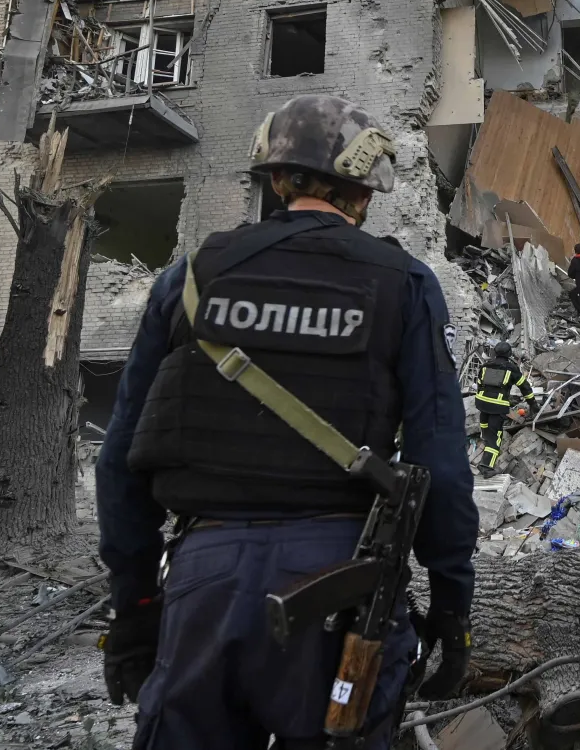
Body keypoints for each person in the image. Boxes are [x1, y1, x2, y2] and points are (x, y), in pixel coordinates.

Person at [95, 95, 478, 750]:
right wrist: (451, 603)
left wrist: (134, 605)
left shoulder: (189, 281)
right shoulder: (403, 283)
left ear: (275, 178)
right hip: (339, 584)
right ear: (364, 191)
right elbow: (438, 461)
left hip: (202, 583)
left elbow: (119, 460)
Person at [472, 341, 534, 477]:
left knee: (486, 430)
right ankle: (487, 468)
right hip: (497, 406)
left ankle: (484, 443)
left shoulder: (485, 366)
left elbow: (480, 385)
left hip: (482, 404)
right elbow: (525, 387)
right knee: (496, 437)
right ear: (509, 354)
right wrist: (533, 405)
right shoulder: (511, 368)